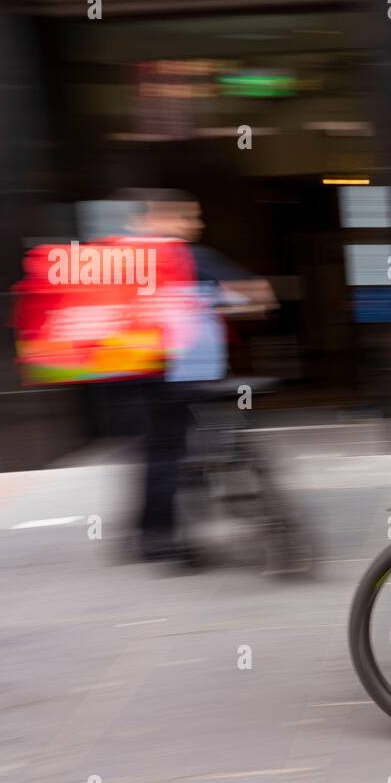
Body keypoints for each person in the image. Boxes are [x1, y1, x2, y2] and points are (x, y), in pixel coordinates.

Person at [126, 189, 277, 563]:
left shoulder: (127, 261)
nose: (197, 224)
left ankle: (153, 534)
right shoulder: (188, 256)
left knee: (158, 451)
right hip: (190, 372)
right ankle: (174, 534)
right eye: (188, 217)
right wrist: (222, 305)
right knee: (181, 451)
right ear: (163, 219)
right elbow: (260, 295)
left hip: (140, 369)